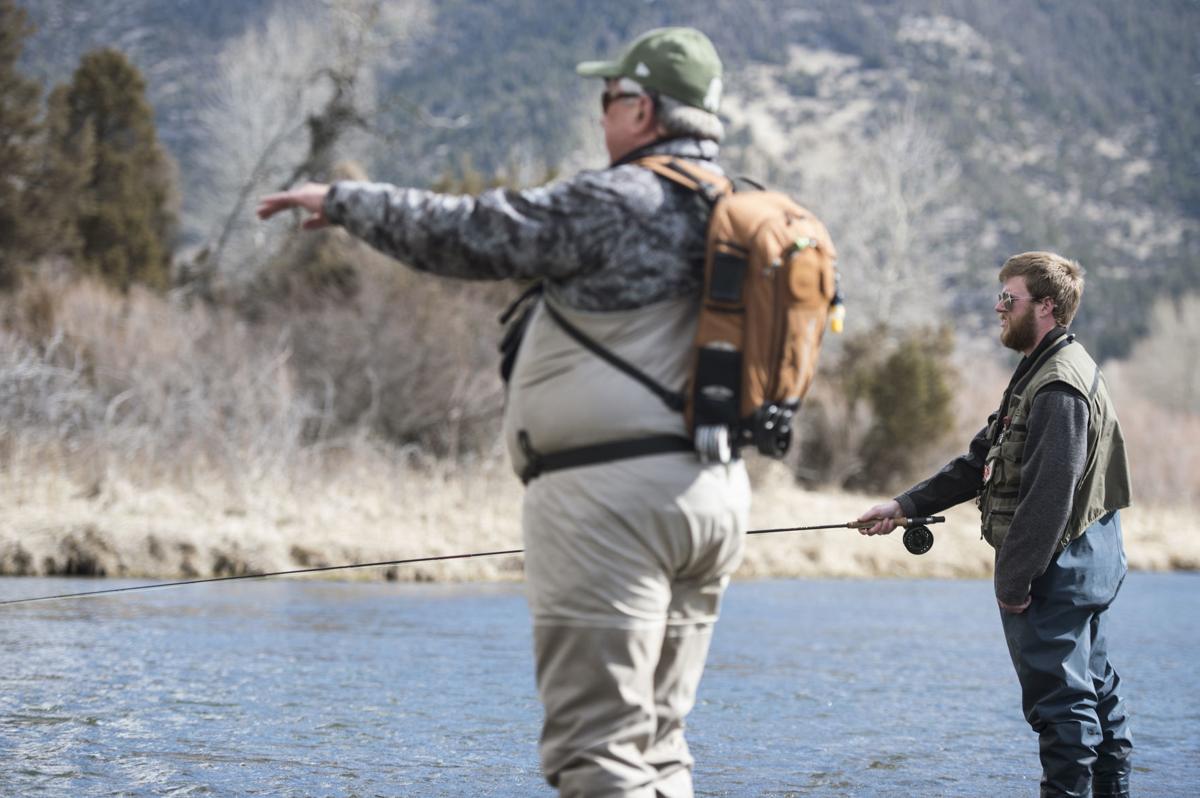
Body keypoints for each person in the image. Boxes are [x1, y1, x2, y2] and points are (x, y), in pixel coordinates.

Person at [258, 28, 748, 798]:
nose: (601, 115)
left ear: (645, 109)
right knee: (657, 745)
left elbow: (468, 233)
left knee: (598, 755)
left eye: (610, 99)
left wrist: (345, 201)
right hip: (713, 500)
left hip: (609, 503)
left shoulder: (621, 199)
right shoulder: (747, 211)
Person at [857, 252, 1133, 798]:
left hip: (1058, 568)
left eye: (1009, 297)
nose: (997, 306)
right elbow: (980, 460)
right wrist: (903, 506)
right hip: (1081, 562)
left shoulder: (1058, 387)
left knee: (1063, 708)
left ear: (1047, 306)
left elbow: (1048, 498)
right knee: (1094, 696)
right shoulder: (1040, 369)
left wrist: (1013, 583)